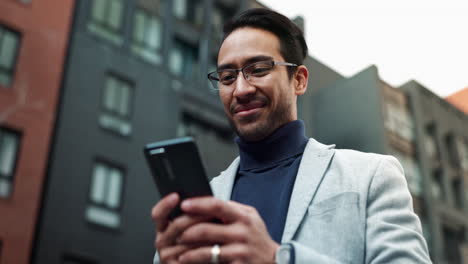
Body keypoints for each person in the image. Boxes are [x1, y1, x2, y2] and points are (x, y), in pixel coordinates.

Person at [151, 8, 431, 264]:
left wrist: (278, 258)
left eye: (258, 70)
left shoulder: (371, 175)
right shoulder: (202, 201)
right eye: (226, 78)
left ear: (299, 80)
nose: (240, 89)